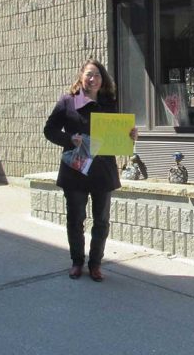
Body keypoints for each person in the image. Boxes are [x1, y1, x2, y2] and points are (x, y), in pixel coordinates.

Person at [44, 59, 136, 282]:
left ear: (102, 80)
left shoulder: (110, 103)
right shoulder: (67, 101)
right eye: (89, 74)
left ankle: (95, 264)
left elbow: (117, 136)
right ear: (81, 76)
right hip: (75, 170)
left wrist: (129, 136)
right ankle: (77, 262)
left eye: (97, 75)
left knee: (101, 220)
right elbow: (49, 130)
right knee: (75, 219)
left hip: (102, 171)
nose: (92, 78)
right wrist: (69, 139)